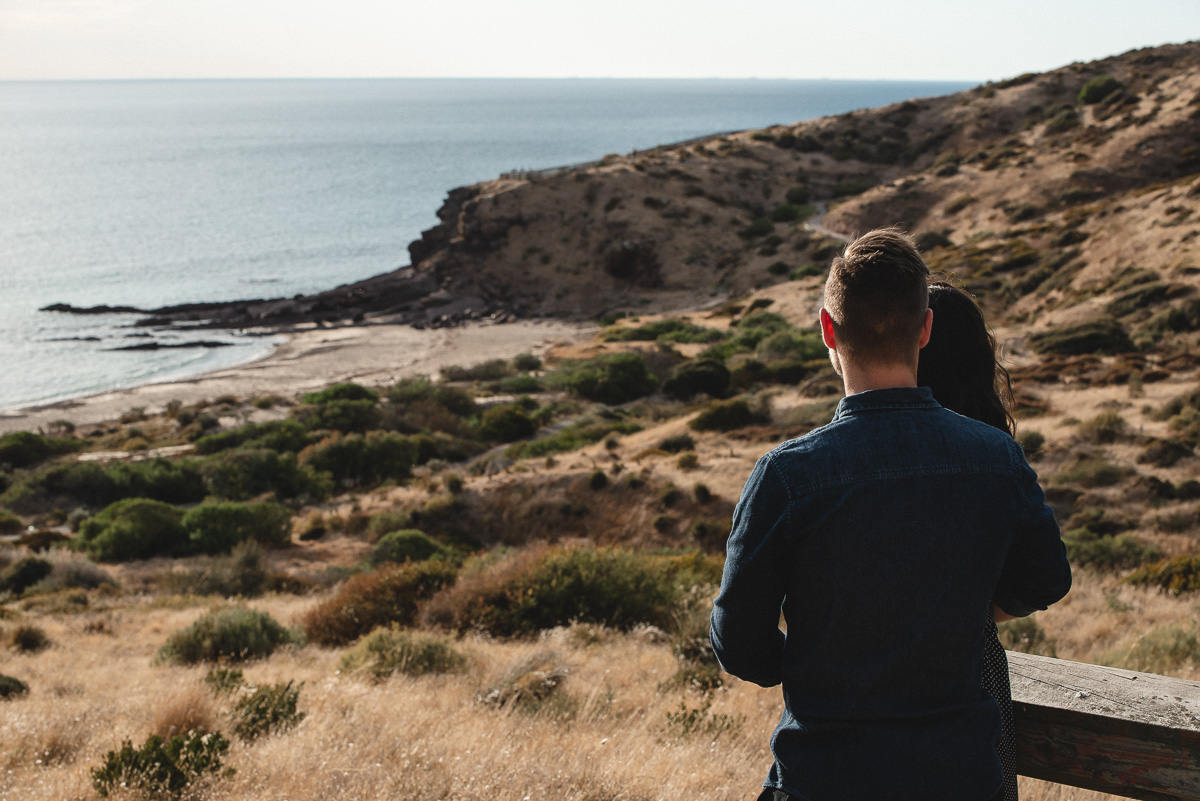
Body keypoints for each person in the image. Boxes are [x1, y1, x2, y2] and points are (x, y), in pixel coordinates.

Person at [709, 229, 1071, 801]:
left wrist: (815, 660)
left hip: (825, 777)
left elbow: (739, 642)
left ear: (827, 330)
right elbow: (1048, 578)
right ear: (925, 329)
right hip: (960, 777)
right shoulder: (996, 458)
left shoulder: (786, 476)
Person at [919, 281, 1020, 801]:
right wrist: (975, 609)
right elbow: (1043, 579)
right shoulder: (995, 456)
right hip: (971, 688)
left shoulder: (850, 449)